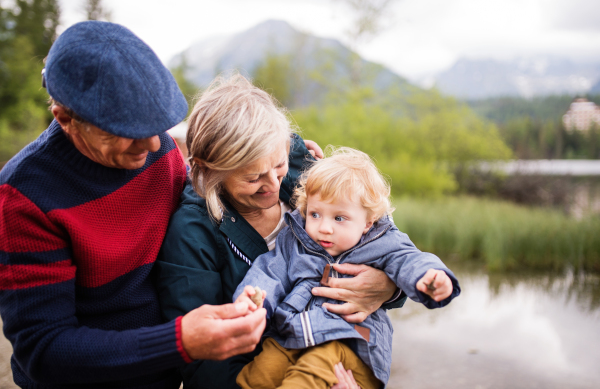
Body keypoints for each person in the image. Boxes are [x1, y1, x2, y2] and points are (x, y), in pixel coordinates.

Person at [0, 21, 267, 389]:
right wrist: (179, 341)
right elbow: (43, 349)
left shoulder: (159, 152)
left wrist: (296, 162)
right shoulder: (25, 196)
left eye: (155, 127)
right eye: (126, 134)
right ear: (65, 118)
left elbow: (217, 204)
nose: (153, 147)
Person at [156, 75, 407, 388]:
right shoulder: (192, 234)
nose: (273, 185)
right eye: (253, 178)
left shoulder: (308, 174)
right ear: (209, 169)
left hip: (341, 357)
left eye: (278, 166)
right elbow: (205, 367)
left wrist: (388, 285)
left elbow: (382, 237)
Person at [233, 147, 461, 389]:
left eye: (339, 218)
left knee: (313, 371)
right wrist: (253, 299)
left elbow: (409, 259)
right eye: (315, 214)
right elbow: (270, 272)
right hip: (294, 333)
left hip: (352, 339)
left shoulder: (382, 242)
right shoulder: (295, 241)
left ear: (367, 222)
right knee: (260, 373)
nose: (324, 228)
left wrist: (429, 276)